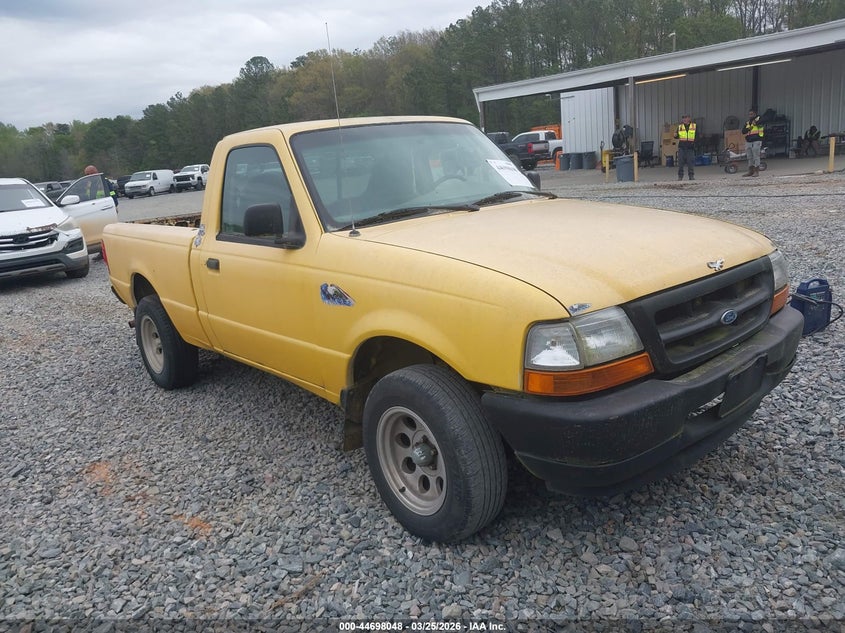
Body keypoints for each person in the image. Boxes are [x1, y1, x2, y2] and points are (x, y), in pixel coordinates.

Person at [741, 109, 764, 177]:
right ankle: (750, 171)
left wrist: (756, 122)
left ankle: (756, 172)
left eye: (752, 114)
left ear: (755, 114)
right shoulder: (748, 123)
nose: (750, 115)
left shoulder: (759, 120)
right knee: (749, 157)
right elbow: (743, 131)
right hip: (749, 141)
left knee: (756, 156)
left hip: (757, 140)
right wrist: (749, 128)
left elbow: (763, 120)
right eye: (749, 114)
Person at [674, 113, 696, 181]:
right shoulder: (680, 127)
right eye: (683, 118)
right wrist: (675, 135)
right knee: (680, 163)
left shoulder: (694, 126)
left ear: (689, 119)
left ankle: (691, 176)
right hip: (682, 147)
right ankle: (680, 176)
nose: (684, 119)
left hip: (690, 148)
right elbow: (677, 136)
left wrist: (694, 144)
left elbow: (697, 136)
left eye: (686, 118)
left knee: (690, 163)